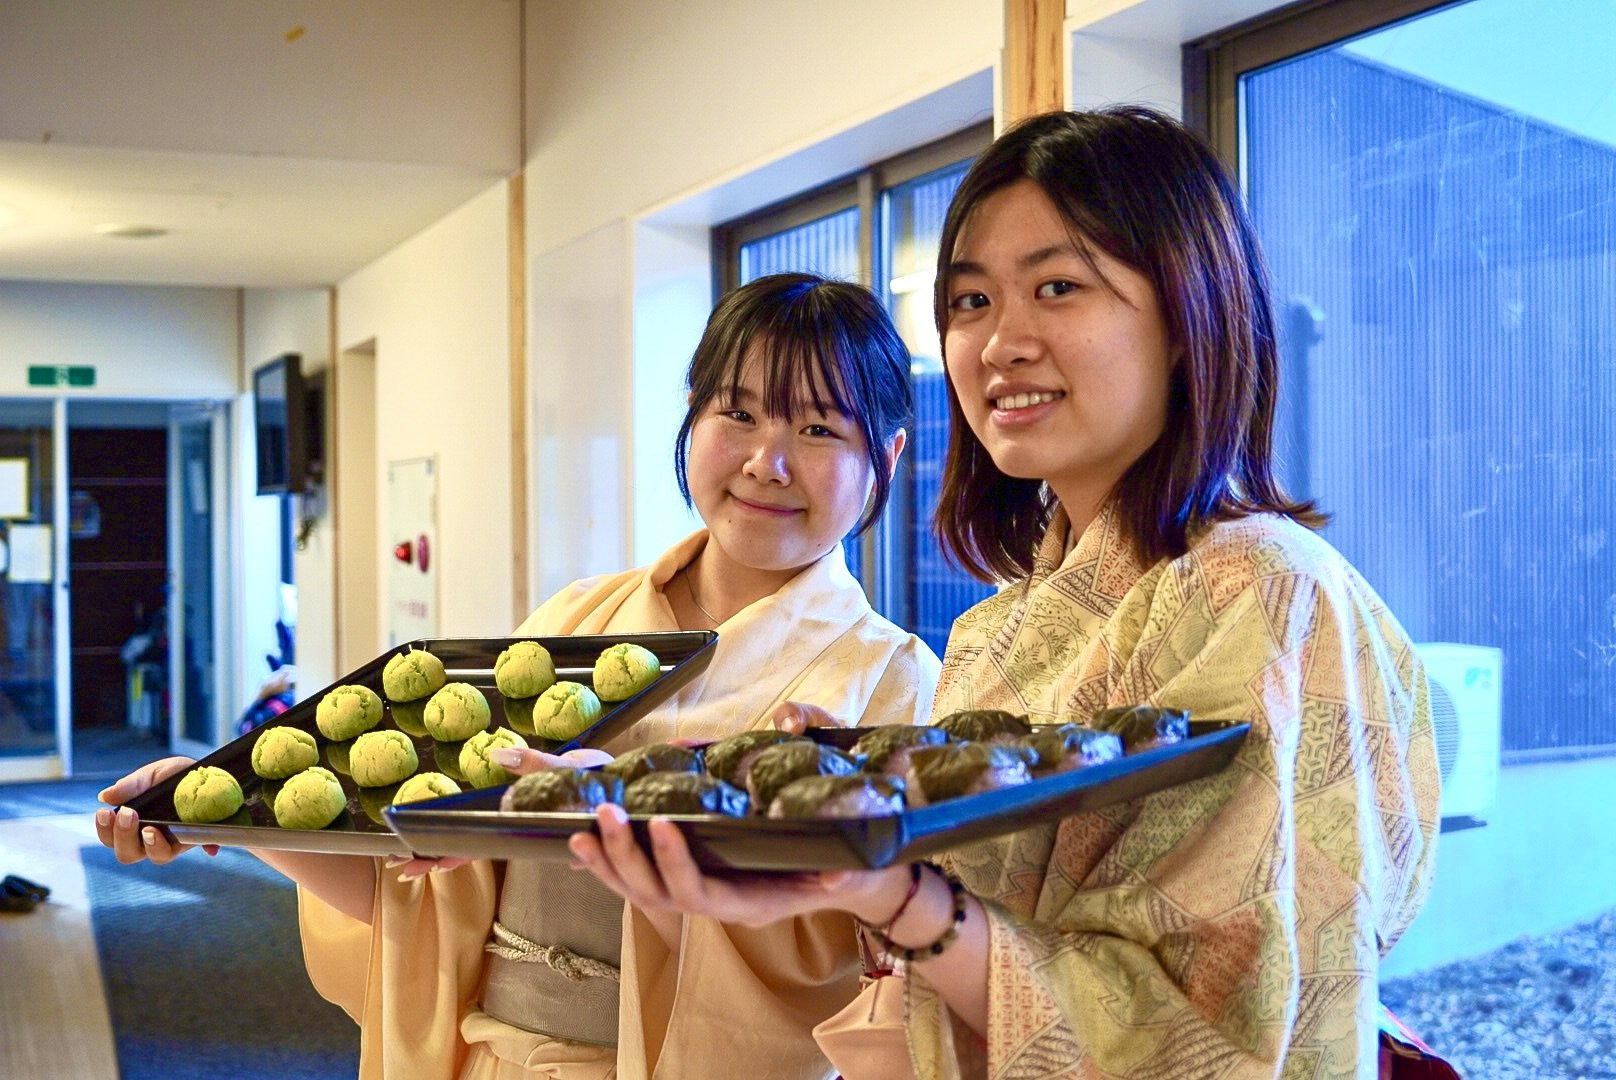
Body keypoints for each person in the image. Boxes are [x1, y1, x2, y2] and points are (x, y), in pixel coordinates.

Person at [564, 107, 1442, 1079]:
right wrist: (851, 856)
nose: (996, 343)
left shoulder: (1266, 592)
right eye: (970, 301)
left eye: (1057, 287)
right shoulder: (995, 627)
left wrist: (911, 902)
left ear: (1190, 320)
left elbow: (1234, 1029)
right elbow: (943, 934)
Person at [95, 271, 941, 1080]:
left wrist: (653, 824)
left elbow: (884, 967)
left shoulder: (893, 684)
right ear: (692, 413)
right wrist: (236, 812)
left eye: (820, 429)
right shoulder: (578, 623)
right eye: (739, 413)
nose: (767, 461)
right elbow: (416, 904)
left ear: (890, 454)